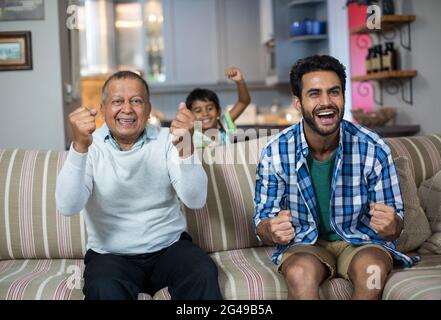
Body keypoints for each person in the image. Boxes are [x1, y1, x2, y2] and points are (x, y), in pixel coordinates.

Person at [253, 55, 416, 300]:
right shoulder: (275, 151)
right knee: (298, 273)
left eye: (334, 92)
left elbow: (394, 224)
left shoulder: (372, 147)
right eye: (314, 94)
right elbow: (263, 221)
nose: (326, 102)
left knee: (374, 271)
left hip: (361, 241)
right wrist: (271, 229)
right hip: (305, 244)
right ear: (298, 103)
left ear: (343, 96)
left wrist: (393, 226)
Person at [55, 70, 222, 300]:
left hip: (170, 249)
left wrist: (186, 146)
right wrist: (79, 147)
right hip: (110, 256)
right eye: (117, 101)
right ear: (103, 108)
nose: (127, 109)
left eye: (136, 101)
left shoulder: (167, 139)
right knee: (103, 288)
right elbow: (67, 206)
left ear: (148, 108)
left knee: (203, 272)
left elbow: (196, 200)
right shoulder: (89, 146)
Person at [186, 67, 251, 147]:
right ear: (190, 115)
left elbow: (243, 102)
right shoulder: (191, 135)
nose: (205, 113)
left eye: (210, 108)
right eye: (198, 111)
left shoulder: (224, 123)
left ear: (218, 111)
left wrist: (239, 81)